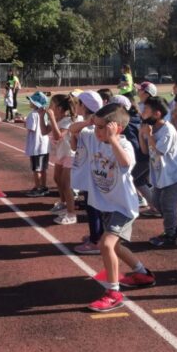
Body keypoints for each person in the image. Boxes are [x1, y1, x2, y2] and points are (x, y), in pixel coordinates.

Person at [70, 102, 156, 312]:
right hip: (105, 203)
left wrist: (112, 139)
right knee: (116, 246)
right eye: (96, 127)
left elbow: (126, 163)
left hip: (123, 206)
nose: (96, 131)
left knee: (106, 245)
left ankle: (113, 293)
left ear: (116, 128)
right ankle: (142, 272)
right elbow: (72, 132)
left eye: (102, 127)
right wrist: (89, 122)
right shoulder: (92, 137)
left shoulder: (124, 145)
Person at [139, 96, 177, 247]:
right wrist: (142, 135)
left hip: (174, 174)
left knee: (167, 205)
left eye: (146, 111)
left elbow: (160, 150)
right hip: (161, 174)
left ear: (157, 114)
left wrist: (148, 135)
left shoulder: (167, 129)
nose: (143, 113)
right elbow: (145, 151)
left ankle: (171, 235)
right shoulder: (151, 128)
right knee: (156, 202)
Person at [71, 90, 104, 254]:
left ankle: (96, 241)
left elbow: (73, 129)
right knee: (93, 207)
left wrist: (84, 125)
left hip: (93, 175)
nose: (76, 105)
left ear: (84, 106)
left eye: (78, 103)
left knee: (93, 208)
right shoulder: (86, 126)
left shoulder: (91, 129)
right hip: (89, 173)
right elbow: (73, 142)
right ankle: (98, 237)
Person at [43, 93, 78, 224]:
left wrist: (51, 117)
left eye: (51, 105)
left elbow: (58, 137)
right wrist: (43, 116)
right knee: (57, 179)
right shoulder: (57, 119)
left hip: (69, 154)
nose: (49, 107)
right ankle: (63, 204)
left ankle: (71, 213)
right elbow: (43, 130)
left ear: (58, 108)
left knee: (66, 184)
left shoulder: (68, 120)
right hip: (60, 154)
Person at [24, 91, 51, 197]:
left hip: (36, 145)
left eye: (31, 101)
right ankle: (43, 186)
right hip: (44, 144)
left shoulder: (33, 114)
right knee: (43, 168)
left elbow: (31, 128)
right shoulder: (44, 113)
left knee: (36, 169)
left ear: (35, 103)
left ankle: (39, 188)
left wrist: (25, 123)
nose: (29, 103)